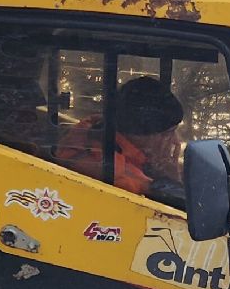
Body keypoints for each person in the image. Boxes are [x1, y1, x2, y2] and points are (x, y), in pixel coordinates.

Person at [59, 76, 187, 204]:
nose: (175, 140)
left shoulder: (97, 134)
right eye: (168, 133)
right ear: (142, 133)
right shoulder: (116, 175)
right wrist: (171, 179)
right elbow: (179, 208)